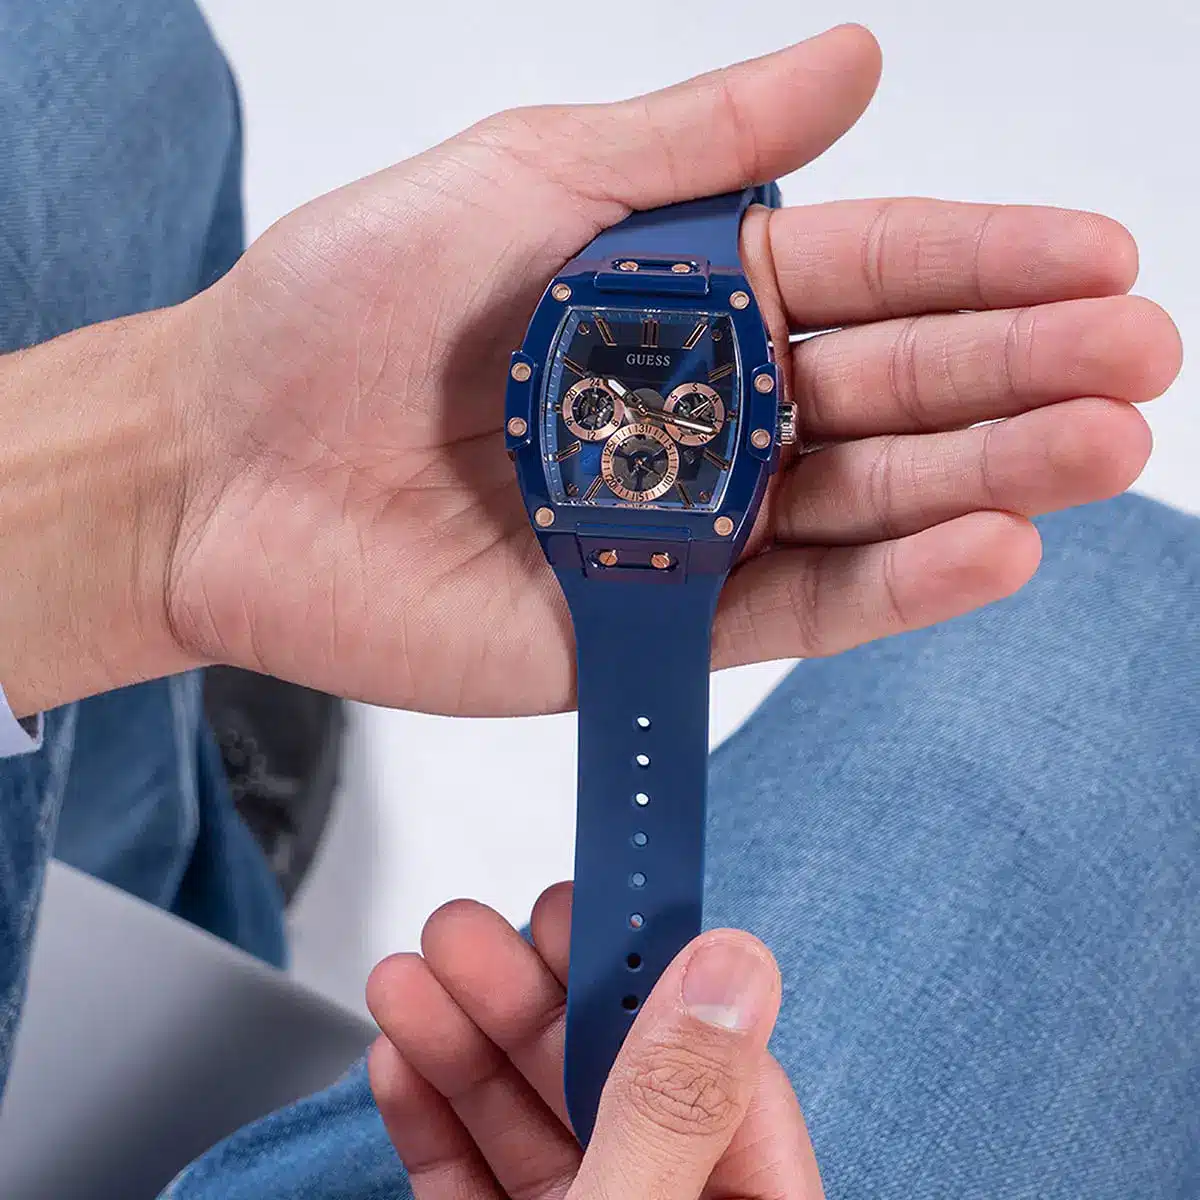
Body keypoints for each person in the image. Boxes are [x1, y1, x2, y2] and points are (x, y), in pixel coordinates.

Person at [0, 6, 1193, 1197]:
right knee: (1122, 602)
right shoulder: (677, 408)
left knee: (117, 38)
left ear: (763, 427)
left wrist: (177, 484)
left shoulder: (596, 392)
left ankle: (127, 827)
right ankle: (148, 864)